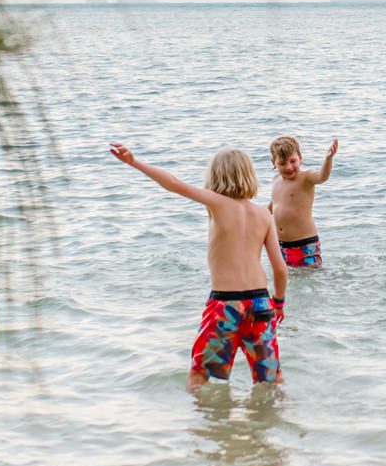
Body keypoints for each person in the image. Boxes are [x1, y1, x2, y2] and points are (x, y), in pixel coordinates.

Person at [110, 142, 287, 384]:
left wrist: (135, 162)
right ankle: (275, 418)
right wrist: (278, 303)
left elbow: (174, 184)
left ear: (215, 176)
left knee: (200, 375)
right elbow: (280, 268)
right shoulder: (265, 214)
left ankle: (206, 421)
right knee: (271, 376)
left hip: (226, 305)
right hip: (260, 303)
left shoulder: (216, 203)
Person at [268, 133, 338, 268]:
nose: (288, 167)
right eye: (282, 163)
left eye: (293, 161)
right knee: (290, 282)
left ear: (300, 158)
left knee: (310, 280)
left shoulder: (306, 177)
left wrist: (328, 159)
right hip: (282, 245)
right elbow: (274, 204)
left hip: (305, 244)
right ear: (274, 163)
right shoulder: (275, 180)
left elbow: (322, 177)